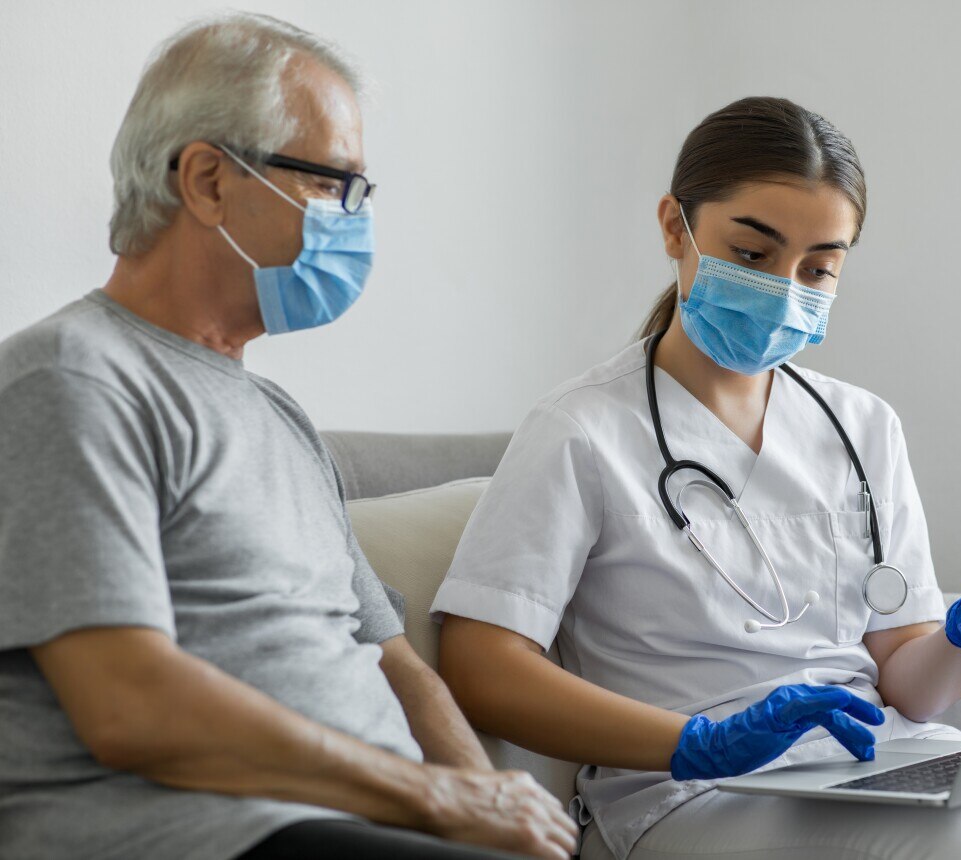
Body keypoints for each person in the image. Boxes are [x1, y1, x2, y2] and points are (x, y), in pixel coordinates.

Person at [431, 97, 961, 859]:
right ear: (676, 227)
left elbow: (910, 684)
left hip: (868, 756)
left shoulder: (862, 425)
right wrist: (701, 742)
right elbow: (483, 667)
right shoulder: (580, 428)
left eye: (818, 267)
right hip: (688, 790)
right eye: (753, 255)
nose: (785, 288)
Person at [0, 13, 575, 860]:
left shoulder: (277, 417)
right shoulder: (70, 380)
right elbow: (128, 706)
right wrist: (431, 796)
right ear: (206, 180)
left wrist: (492, 805)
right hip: (200, 833)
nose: (353, 220)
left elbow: (395, 664)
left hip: (365, 826)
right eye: (331, 184)